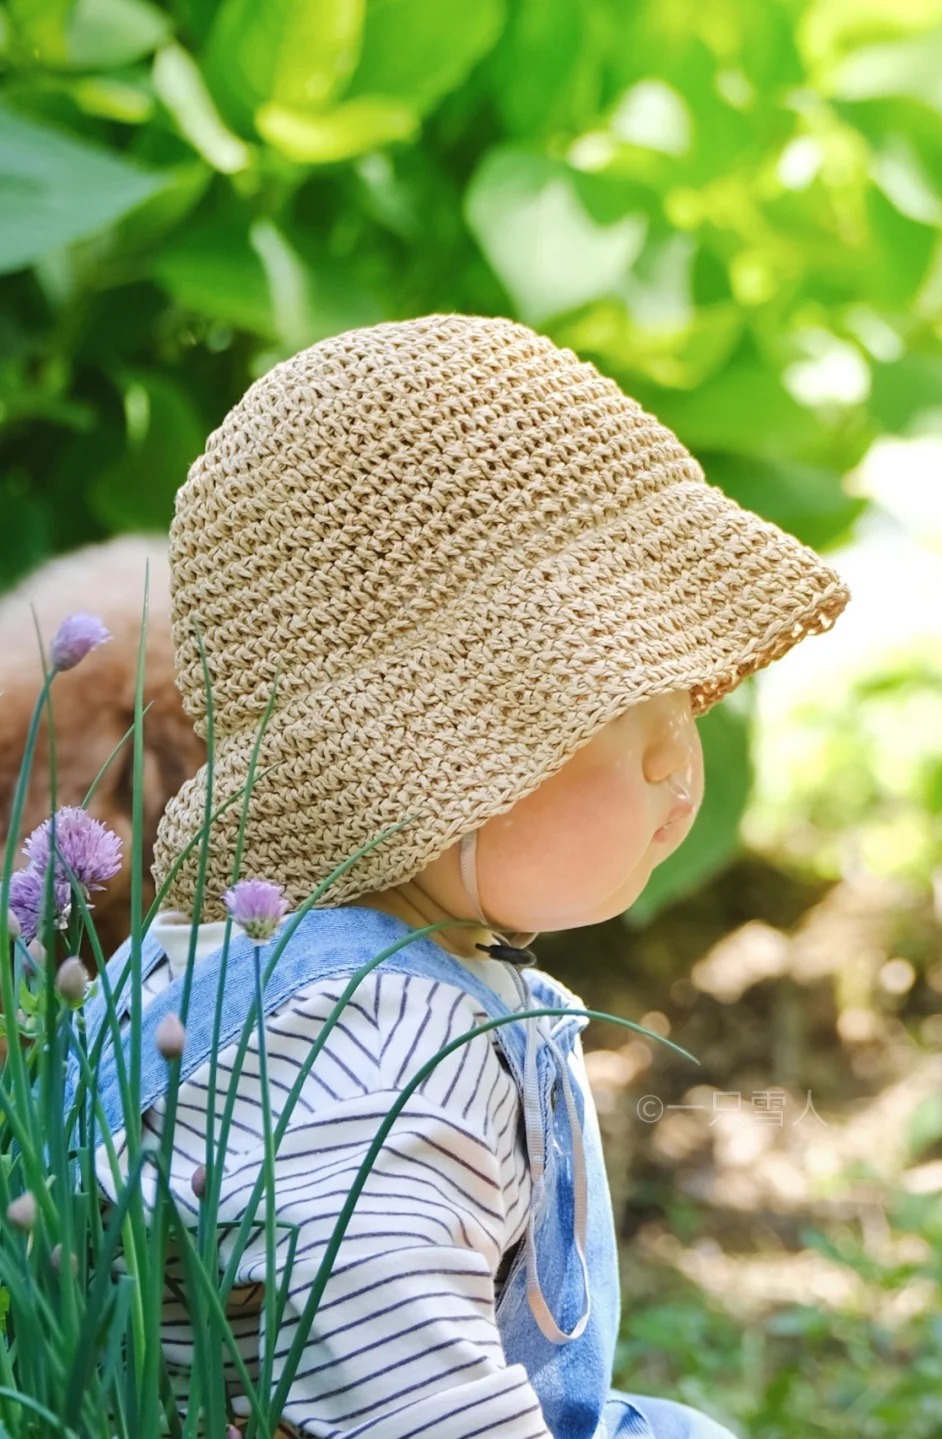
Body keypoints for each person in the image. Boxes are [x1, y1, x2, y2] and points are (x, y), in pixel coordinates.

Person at [68, 314, 851, 1438]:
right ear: (432, 761)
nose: (681, 763)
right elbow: (418, 1405)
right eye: (619, 711)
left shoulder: (285, 970)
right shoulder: (365, 1047)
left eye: (684, 707)